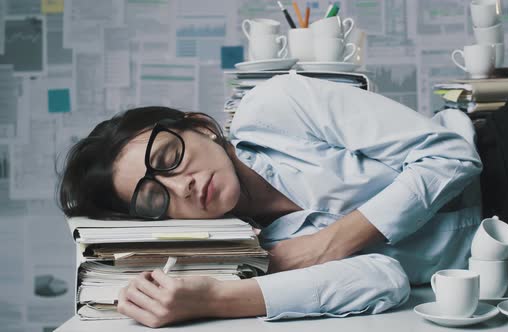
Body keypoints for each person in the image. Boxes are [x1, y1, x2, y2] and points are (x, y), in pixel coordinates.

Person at [58, 72, 486, 327]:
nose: (180, 186)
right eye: (154, 198)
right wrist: (212, 298)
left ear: (200, 127)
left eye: (169, 158)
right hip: (507, 263)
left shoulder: (274, 109)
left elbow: (451, 156)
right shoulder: (249, 253)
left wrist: (328, 243)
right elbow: (385, 280)